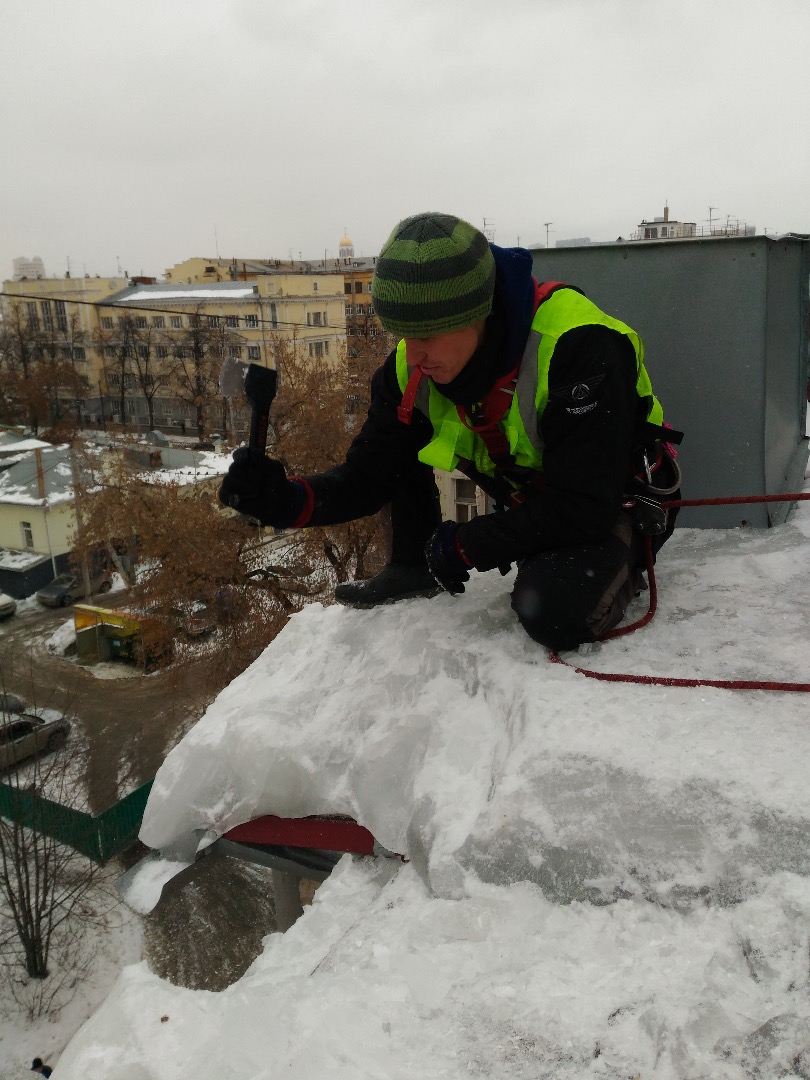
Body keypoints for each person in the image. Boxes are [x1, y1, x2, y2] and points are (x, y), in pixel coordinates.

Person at [219, 212, 681, 650]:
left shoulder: (576, 346)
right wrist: (286, 501)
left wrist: (465, 546)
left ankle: (625, 560)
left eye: (428, 333)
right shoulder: (410, 367)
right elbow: (371, 475)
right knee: (406, 443)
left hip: (618, 496)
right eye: (403, 333)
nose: (413, 353)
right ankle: (409, 567)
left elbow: (584, 506)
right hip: (543, 497)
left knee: (555, 607)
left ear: (480, 311)